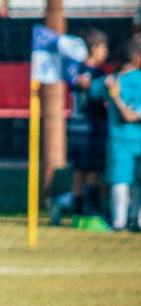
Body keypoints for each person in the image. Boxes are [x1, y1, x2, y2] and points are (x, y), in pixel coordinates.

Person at [51, 29, 109, 224]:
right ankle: (90, 212)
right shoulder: (97, 74)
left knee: (79, 172)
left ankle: (71, 207)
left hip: (75, 128)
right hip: (91, 130)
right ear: (94, 48)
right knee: (93, 172)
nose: (105, 52)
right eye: (103, 47)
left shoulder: (75, 71)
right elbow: (100, 102)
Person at [96, 40, 141, 231]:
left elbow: (89, 88)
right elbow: (131, 116)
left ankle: (118, 222)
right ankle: (136, 220)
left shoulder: (110, 80)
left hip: (117, 140)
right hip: (137, 140)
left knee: (119, 180)